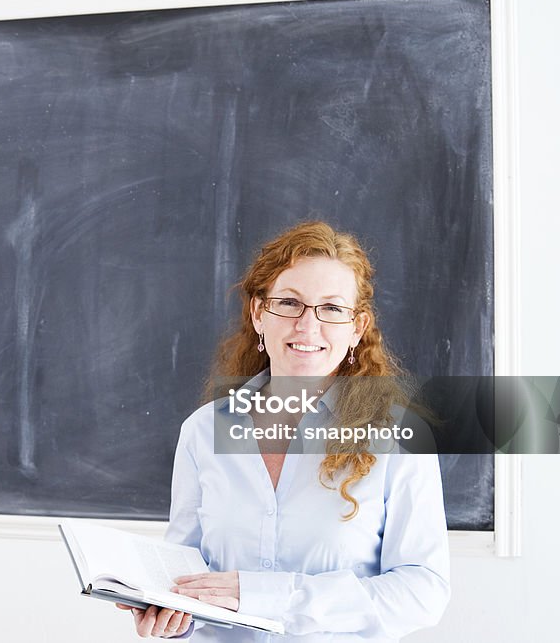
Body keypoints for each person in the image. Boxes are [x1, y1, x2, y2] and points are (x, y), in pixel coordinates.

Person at [118, 221, 450, 640]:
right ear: (259, 314)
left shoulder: (400, 435)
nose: (308, 327)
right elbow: (189, 575)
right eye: (289, 303)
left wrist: (268, 595)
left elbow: (422, 592)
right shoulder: (205, 431)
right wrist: (169, 609)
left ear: (357, 328)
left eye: (331, 309)